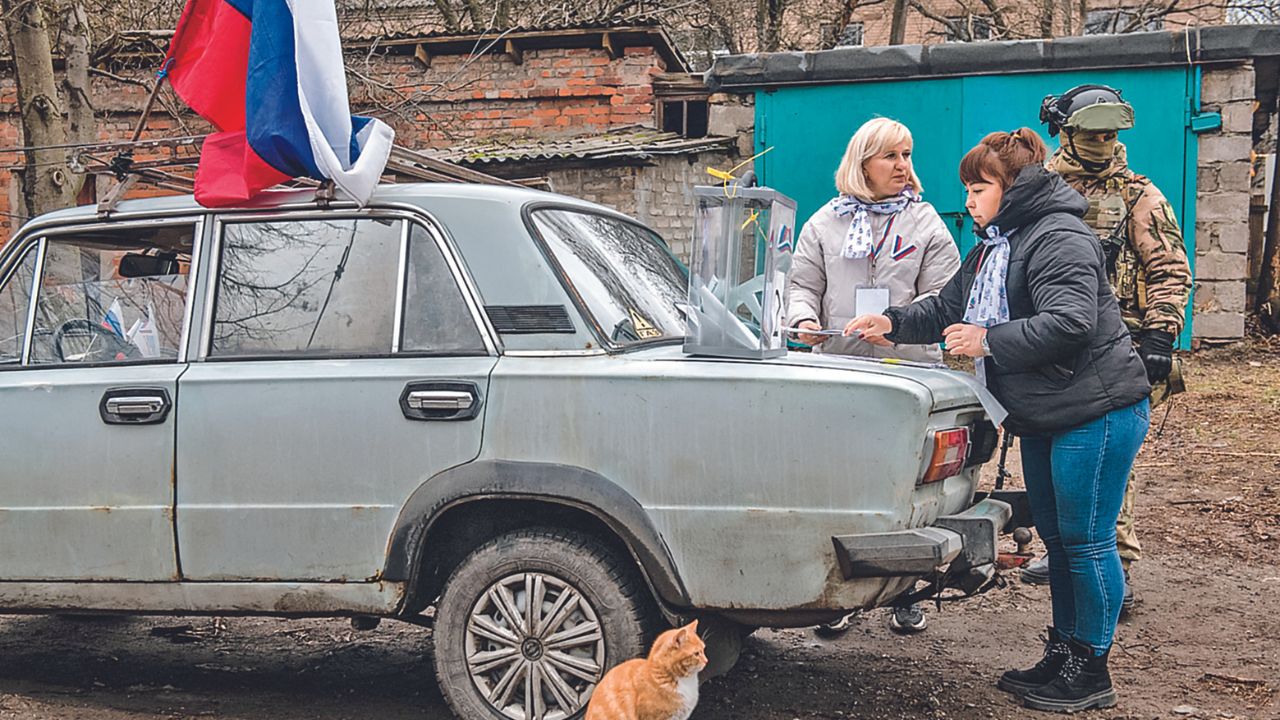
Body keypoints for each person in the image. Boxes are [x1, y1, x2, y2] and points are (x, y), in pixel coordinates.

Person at [846, 129, 1151, 713]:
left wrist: (988, 340)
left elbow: (1071, 322)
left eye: (978, 187)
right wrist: (890, 322)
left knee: (1087, 541)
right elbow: (947, 306)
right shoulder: (994, 244)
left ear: (1011, 188)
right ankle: (1064, 653)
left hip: (1096, 409)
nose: (969, 199)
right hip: (1045, 412)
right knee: (1060, 542)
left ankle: (1091, 668)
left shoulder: (1059, 236)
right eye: (967, 187)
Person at [1019, 85, 1192, 616]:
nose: (1102, 143)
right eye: (1092, 134)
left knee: (1108, 462)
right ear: (1066, 132)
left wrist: (1161, 334)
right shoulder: (1038, 189)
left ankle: (1113, 558)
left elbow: (1169, 269)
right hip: (1051, 345)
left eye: (1110, 135)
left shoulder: (1141, 197)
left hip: (1120, 347)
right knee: (1054, 451)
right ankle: (1068, 553)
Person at [786, 117, 961, 635]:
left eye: (908, 156)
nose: (904, 168)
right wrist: (802, 321)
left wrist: (899, 327)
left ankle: (906, 591)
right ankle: (836, 596)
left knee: (905, 485)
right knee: (837, 483)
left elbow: (943, 299)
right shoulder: (824, 223)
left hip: (907, 375)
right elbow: (801, 286)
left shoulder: (927, 223)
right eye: (892, 157)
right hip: (838, 373)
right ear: (862, 162)